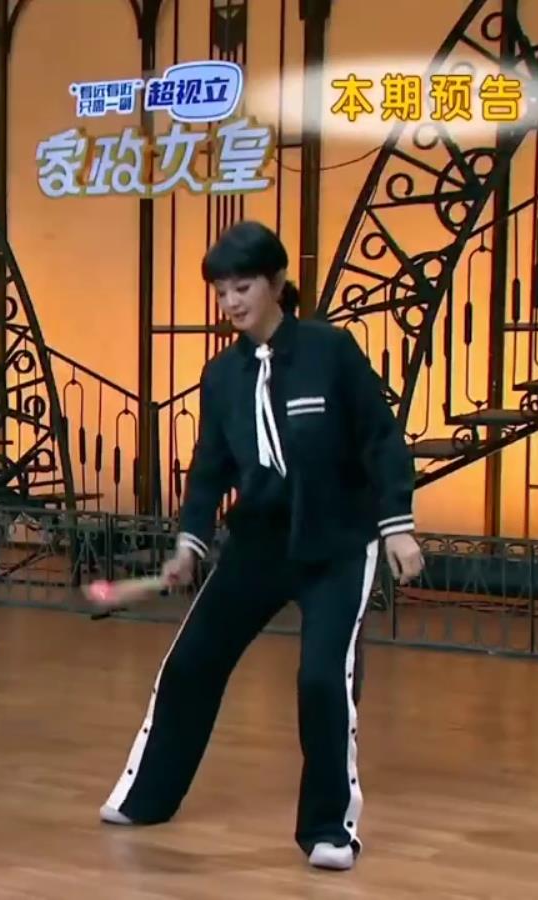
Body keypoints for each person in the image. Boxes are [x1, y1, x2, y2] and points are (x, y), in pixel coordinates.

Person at [92, 221, 424, 872]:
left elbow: (380, 439)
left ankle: (329, 830)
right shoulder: (222, 376)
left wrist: (397, 525)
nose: (230, 303)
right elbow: (210, 468)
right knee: (191, 663)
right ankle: (147, 797)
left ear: (275, 283)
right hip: (259, 542)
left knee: (323, 679)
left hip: (337, 541)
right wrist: (189, 542)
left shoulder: (331, 351)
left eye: (241, 287)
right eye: (221, 292)